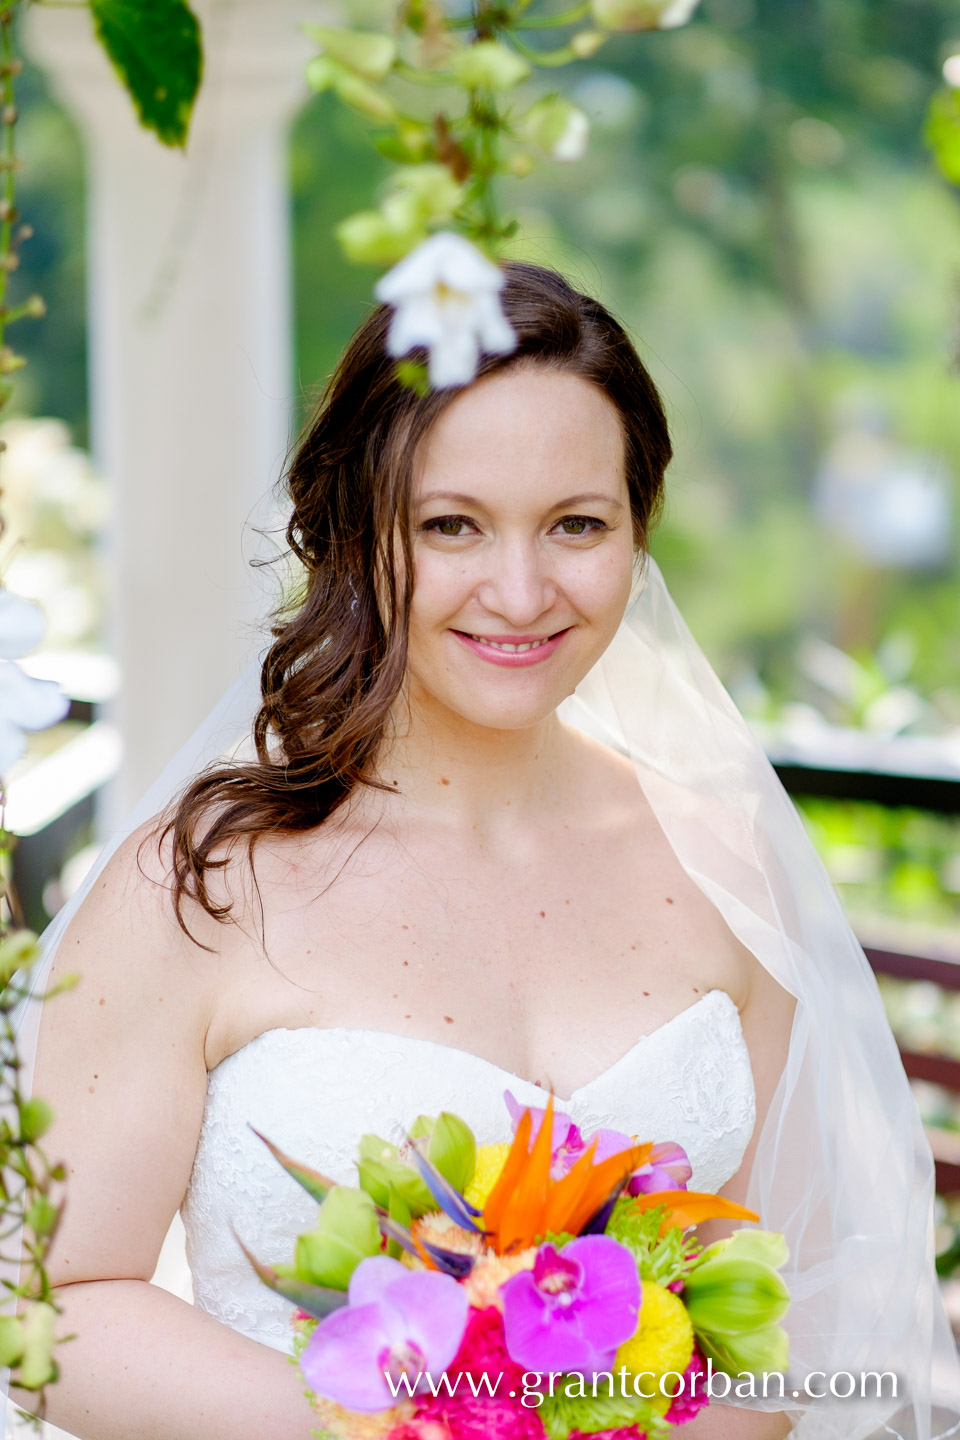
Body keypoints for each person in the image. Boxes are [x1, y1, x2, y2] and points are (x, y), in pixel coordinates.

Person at [8, 264, 958, 1440]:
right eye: (451, 525)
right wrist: (406, 1429)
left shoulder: (729, 866)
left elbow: (794, 1301)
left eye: (577, 525)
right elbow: (56, 1305)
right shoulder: (198, 886)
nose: (521, 592)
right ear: (358, 533)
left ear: (638, 531)